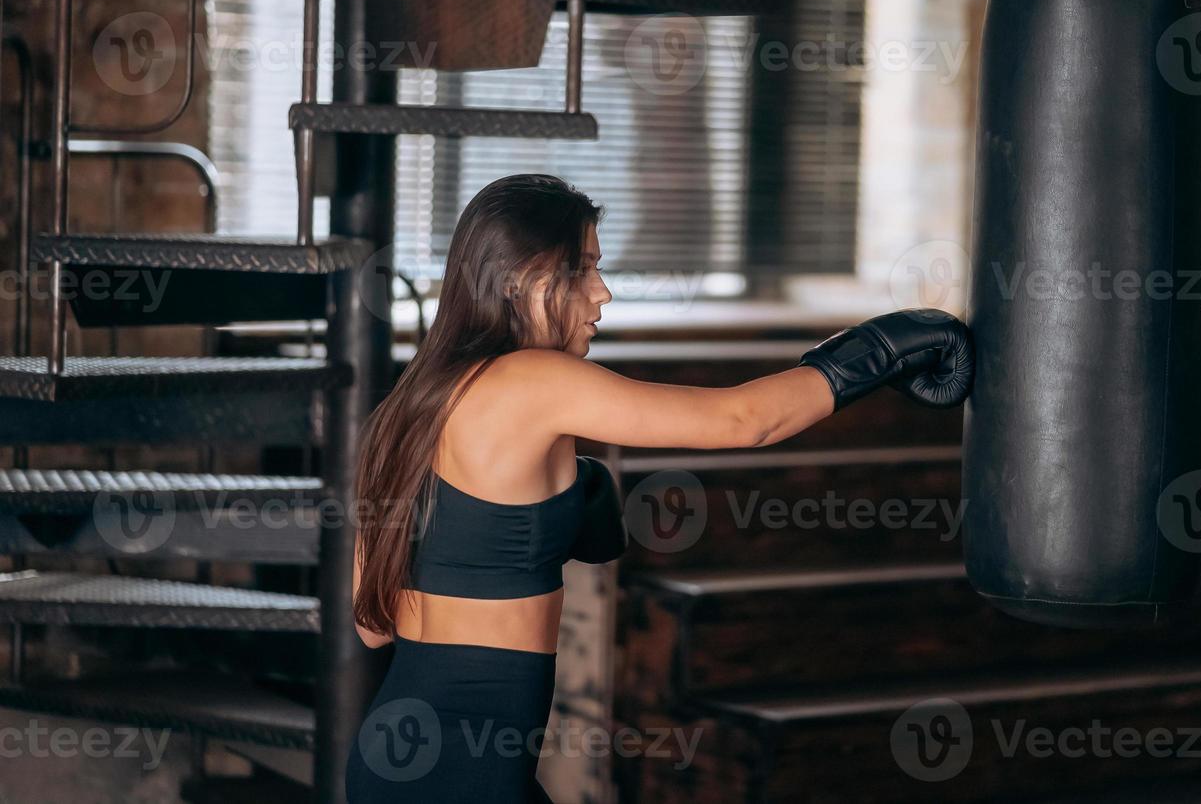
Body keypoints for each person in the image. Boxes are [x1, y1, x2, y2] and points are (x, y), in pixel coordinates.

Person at [345, 173, 973, 802]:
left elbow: (371, 625)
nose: (602, 293)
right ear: (523, 278)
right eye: (583, 268)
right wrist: (879, 349)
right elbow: (742, 421)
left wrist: (494, 541)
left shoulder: (409, 406)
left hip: (400, 749)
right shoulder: (534, 380)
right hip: (464, 774)